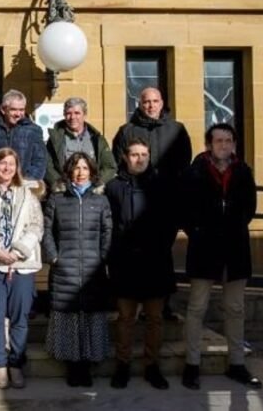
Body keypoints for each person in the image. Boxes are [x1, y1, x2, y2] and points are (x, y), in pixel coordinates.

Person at [181, 123, 262, 390]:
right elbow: (186, 210)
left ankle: (237, 363)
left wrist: (234, 226)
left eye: (228, 140)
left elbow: (249, 207)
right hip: (204, 249)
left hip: (235, 249)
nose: (224, 145)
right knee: (196, 308)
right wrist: (199, 231)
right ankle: (192, 364)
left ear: (234, 144)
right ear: (208, 144)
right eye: (218, 141)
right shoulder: (195, 172)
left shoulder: (243, 172)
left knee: (235, 309)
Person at [111, 87, 191, 318]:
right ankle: (131, 307)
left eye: (155, 101)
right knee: (133, 255)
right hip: (134, 202)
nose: (151, 105)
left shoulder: (176, 129)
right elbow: (118, 163)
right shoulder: (127, 131)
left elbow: (183, 164)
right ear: (139, 103)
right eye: (146, 102)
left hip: (165, 204)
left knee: (161, 254)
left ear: (162, 102)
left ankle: (161, 306)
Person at [0, 148, 44, 389]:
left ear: (17, 167)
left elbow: (36, 226)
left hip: (21, 264)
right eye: (2, 163)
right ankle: (0, 365)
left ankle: (15, 364)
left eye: (11, 164)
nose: (6, 168)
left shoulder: (27, 192)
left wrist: (19, 250)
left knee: (19, 318)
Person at [106, 139, 173, 390]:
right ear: (125, 157)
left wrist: (159, 247)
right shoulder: (113, 187)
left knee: (155, 318)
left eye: (144, 154)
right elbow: (109, 224)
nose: (140, 159)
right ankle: (122, 365)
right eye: (134, 154)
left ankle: (152, 366)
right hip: (125, 262)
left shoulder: (162, 185)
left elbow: (170, 223)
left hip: (155, 261)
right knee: (125, 318)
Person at [42, 152, 112, 387]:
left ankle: (87, 366)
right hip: (65, 268)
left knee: (91, 315)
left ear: (92, 171)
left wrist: (102, 258)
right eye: (76, 168)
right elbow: (47, 230)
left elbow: (107, 232)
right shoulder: (57, 199)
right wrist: (53, 257)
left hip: (92, 270)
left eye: (85, 168)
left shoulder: (100, 201)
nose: (80, 172)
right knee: (69, 316)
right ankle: (72, 366)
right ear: (69, 171)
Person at [45, 96, 116, 189]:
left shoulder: (96, 139)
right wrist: (58, 184)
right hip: (65, 192)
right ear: (64, 115)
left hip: (92, 191)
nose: (72, 117)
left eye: (77, 113)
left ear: (85, 115)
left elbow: (110, 166)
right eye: (68, 113)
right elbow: (47, 165)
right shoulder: (55, 139)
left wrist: (98, 183)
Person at [0, 89, 46, 180]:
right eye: (13, 110)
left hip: (24, 185)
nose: (18, 114)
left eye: (21, 110)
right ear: (3, 109)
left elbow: (39, 162)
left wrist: (26, 183)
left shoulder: (34, 130)